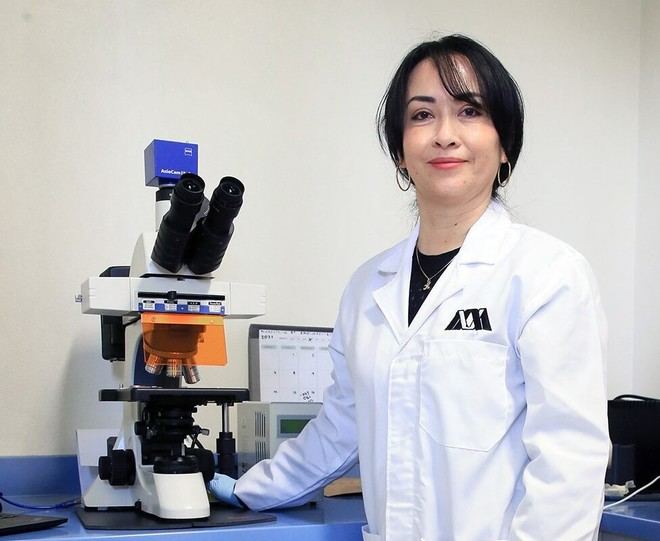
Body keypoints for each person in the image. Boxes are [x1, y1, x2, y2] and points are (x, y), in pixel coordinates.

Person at [210, 34, 610, 541]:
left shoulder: (546, 275)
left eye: (469, 111)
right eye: (422, 115)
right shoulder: (367, 289)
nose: (445, 135)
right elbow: (339, 431)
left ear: (504, 144)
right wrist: (245, 490)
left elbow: (569, 466)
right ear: (400, 150)